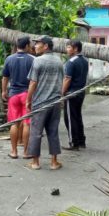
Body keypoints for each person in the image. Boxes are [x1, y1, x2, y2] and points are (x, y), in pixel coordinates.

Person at [26, 35, 64, 170]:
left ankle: (35, 162)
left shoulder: (38, 61)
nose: (35, 46)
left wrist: (28, 100)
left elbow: (33, 83)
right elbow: (61, 82)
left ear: (46, 46)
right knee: (53, 131)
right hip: (55, 102)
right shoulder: (59, 61)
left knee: (36, 132)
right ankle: (54, 162)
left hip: (40, 103)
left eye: (38, 44)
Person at [1, 36, 34, 159]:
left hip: (13, 94)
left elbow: (5, 77)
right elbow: (34, 80)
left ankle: (14, 151)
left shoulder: (9, 59)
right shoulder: (32, 59)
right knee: (26, 123)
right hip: (27, 95)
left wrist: (4, 91)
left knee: (14, 123)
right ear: (26, 46)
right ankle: (26, 152)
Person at [61, 39, 89, 150]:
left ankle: (74, 142)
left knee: (70, 119)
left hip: (71, 93)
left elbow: (67, 79)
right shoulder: (85, 61)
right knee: (77, 116)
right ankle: (81, 141)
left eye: (69, 47)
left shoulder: (71, 62)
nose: (67, 49)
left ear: (75, 49)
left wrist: (62, 93)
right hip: (81, 92)